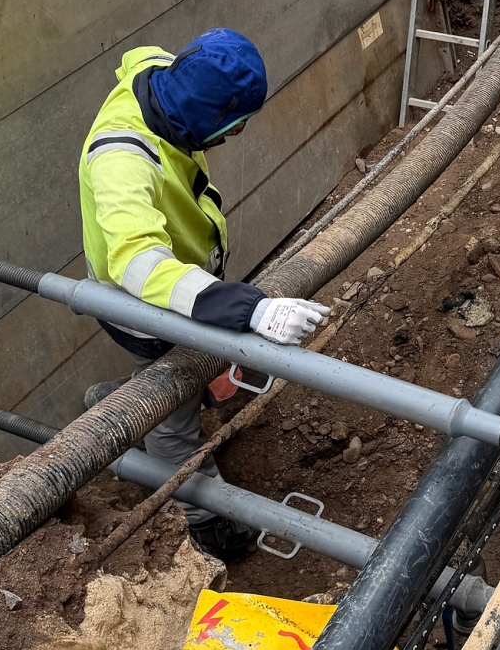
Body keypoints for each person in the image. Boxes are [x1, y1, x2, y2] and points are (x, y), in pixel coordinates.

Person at [79, 28, 330, 560]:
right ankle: (204, 518)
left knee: (192, 373)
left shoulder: (163, 76)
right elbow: (137, 263)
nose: (225, 142)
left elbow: (145, 51)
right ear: (199, 119)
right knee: (175, 414)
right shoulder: (121, 161)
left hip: (182, 279)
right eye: (227, 132)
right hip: (145, 305)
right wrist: (249, 308)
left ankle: (117, 404)